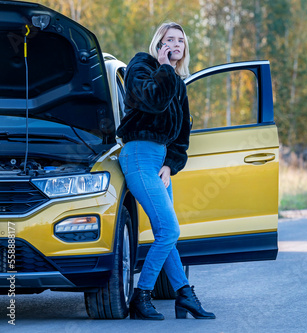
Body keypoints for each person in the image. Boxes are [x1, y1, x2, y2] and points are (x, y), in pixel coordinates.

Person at [116, 22, 215, 320]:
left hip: (160, 163)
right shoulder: (141, 66)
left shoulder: (178, 83)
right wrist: (163, 67)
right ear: (158, 44)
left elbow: (182, 131)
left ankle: (184, 294)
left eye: (180, 41)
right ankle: (140, 295)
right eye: (169, 39)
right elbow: (153, 101)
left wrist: (171, 164)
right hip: (137, 156)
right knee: (170, 230)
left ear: (185, 48)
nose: (175, 44)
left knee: (165, 233)